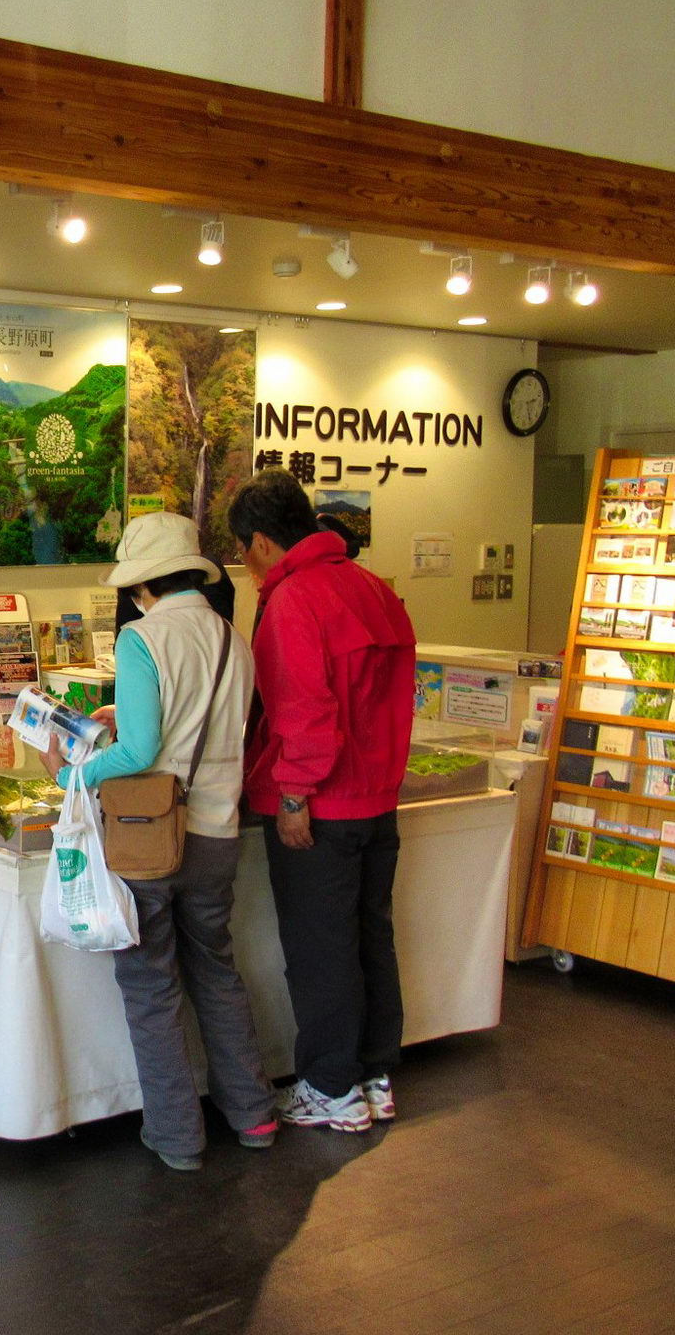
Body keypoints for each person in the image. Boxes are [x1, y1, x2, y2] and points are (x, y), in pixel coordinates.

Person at [44, 512, 275, 1172]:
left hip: (152, 841)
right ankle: (254, 1115)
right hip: (218, 834)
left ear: (143, 586)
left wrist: (75, 771)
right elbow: (216, 724)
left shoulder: (142, 640)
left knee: (150, 985)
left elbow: (144, 749)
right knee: (217, 971)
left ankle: (177, 1136)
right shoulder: (235, 637)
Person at [229, 470, 417, 1134]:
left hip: (323, 806)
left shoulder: (292, 601)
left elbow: (303, 710)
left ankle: (331, 1090)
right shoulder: (372, 588)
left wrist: (292, 797)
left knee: (321, 951)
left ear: (258, 542)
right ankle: (372, 1076)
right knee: (371, 937)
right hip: (378, 801)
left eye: (243, 552)